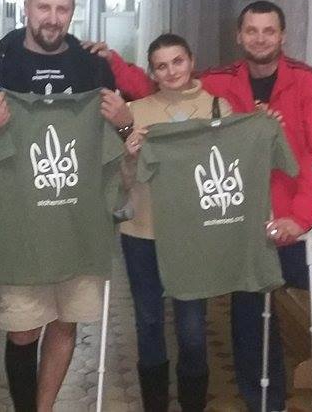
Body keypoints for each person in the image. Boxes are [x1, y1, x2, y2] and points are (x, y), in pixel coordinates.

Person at [95, 0, 312, 411]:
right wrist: (114, 66)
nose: (260, 39)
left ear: (282, 35)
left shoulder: (303, 82)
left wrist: (300, 217)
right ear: (239, 36)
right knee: (246, 319)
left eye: (268, 31)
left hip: (284, 220)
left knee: (291, 318)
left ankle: (279, 398)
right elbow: (161, 90)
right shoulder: (221, 81)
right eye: (251, 30)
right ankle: (258, 397)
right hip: (230, 222)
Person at [0, 0, 132, 412]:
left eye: (62, 9)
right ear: (26, 8)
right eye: (44, 7)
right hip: (20, 223)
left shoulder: (93, 67)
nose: (52, 18)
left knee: (66, 322)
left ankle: (44, 406)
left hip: (78, 218)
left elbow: (119, 144)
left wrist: (125, 122)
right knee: (23, 328)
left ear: (72, 12)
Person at [117, 33, 231, 411]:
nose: (171, 71)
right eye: (161, 66)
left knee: (193, 330)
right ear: (152, 72)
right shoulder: (135, 111)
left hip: (194, 235)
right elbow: (120, 184)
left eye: (177, 61)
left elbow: (229, 171)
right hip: (142, 232)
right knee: (149, 322)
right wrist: (129, 155)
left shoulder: (218, 108)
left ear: (191, 60)